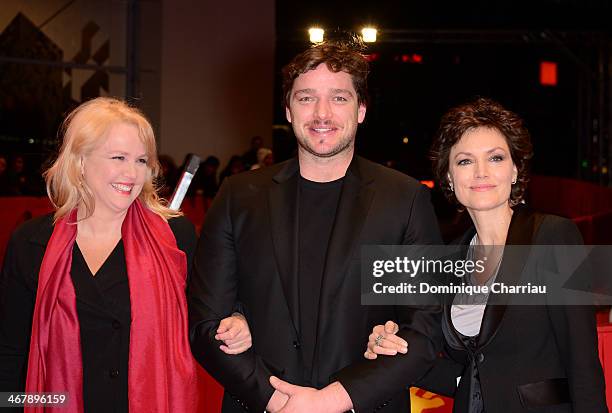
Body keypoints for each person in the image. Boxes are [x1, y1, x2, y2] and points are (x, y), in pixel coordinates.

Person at [188, 39, 443, 413]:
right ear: (288, 110)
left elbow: (422, 329)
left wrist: (333, 400)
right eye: (306, 98)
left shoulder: (403, 200)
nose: (322, 113)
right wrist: (276, 399)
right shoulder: (239, 196)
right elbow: (205, 323)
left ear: (361, 110)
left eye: (339, 98)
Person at [0, 97, 250, 413]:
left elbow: (213, 309)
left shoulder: (174, 236)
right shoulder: (31, 243)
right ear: (79, 161)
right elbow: (11, 354)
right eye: (118, 157)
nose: (131, 173)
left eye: (141, 161)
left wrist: (238, 318)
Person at [364, 97, 607, 412]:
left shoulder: (551, 237)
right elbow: (469, 371)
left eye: (495, 158)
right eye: (465, 161)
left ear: (515, 170)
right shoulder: (449, 262)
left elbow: (583, 363)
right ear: (449, 178)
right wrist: (393, 349)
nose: (481, 172)